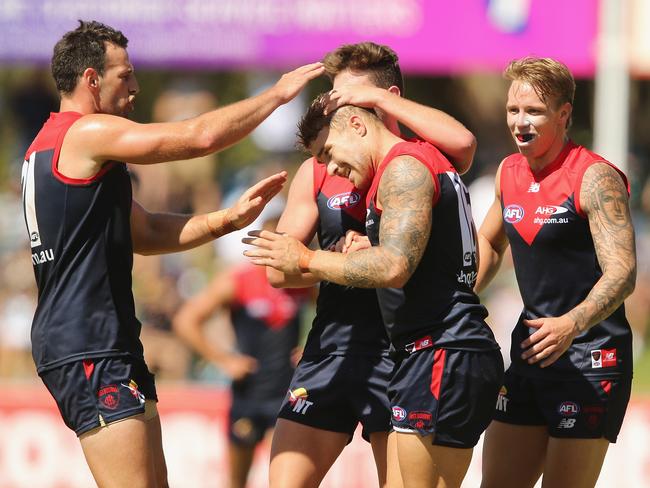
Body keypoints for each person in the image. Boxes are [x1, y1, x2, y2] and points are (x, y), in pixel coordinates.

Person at [20, 20, 322, 488]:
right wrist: (276, 96)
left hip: (103, 339)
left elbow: (147, 229)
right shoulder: (85, 132)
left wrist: (227, 220)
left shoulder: (53, 146)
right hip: (87, 343)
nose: (136, 87)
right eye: (126, 75)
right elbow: (197, 137)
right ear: (91, 81)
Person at [244, 94, 503, 488]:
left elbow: (394, 267)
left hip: (438, 350)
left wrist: (307, 258)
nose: (330, 167)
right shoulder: (420, 161)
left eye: (329, 151)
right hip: (438, 350)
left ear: (357, 124)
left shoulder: (403, 167)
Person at [474, 57, 636, 488]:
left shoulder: (595, 177)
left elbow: (622, 273)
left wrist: (572, 323)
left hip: (591, 357)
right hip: (530, 353)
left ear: (564, 114)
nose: (520, 122)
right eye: (513, 110)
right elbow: (489, 241)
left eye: (534, 112)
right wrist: (459, 297)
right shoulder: (508, 172)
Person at [172, 215, 309, 488]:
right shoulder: (239, 281)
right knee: (236, 480)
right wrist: (224, 359)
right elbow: (186, 321)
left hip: (287, 394)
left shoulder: (302, 282)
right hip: (249, 392)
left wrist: (313, 348)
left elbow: (334, 316)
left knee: (284, 479)